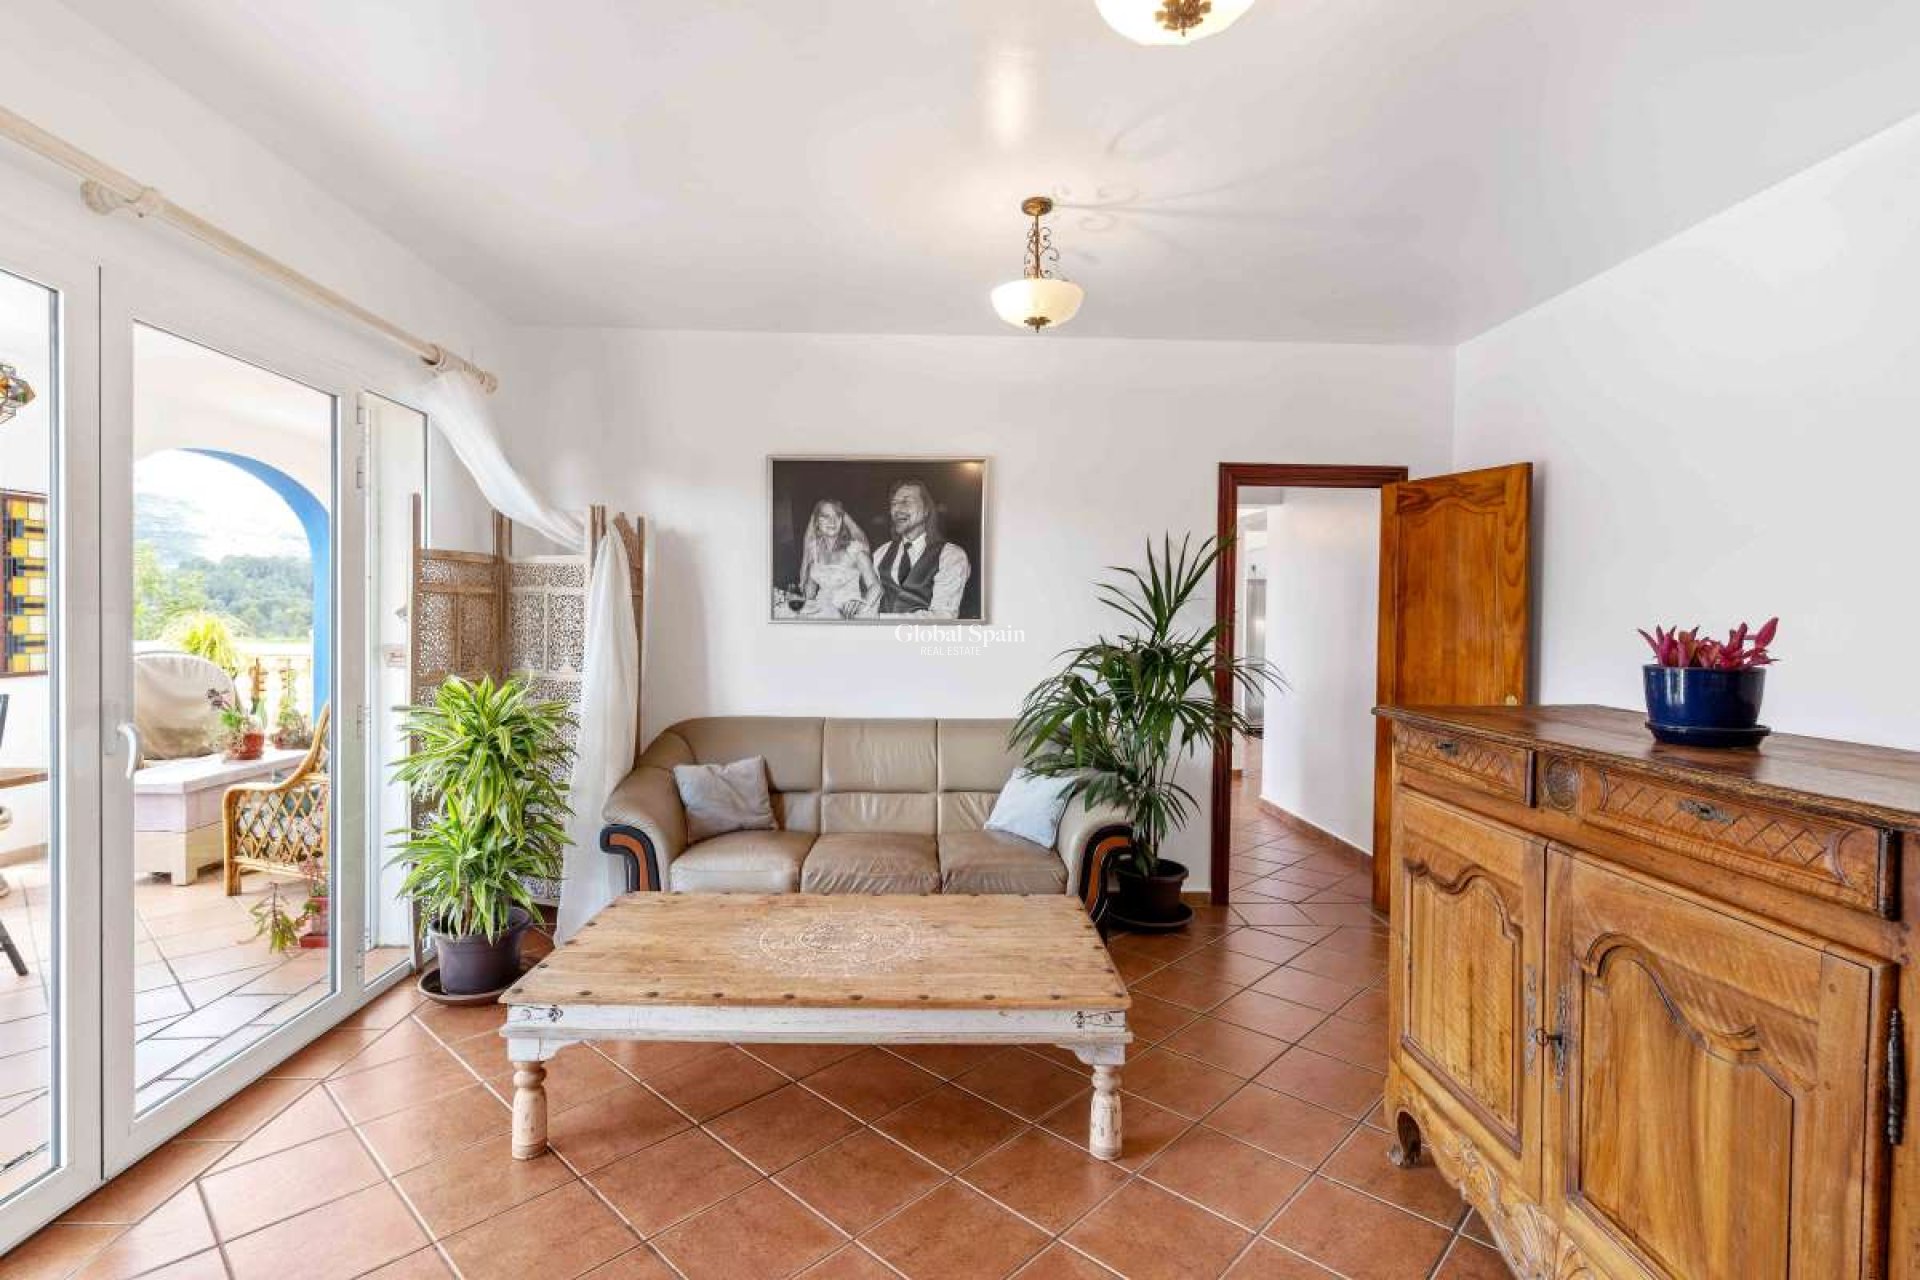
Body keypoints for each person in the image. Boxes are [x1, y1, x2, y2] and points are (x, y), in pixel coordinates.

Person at [872, 478, 971, 618]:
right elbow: (869, 604)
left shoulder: (951, 556)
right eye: (894, 503)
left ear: (926, 510)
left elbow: (943, 616)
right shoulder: (881, 553)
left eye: (906, 502)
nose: (897, 509)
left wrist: (880, 619)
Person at [787, 498, 881, 619]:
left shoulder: (854, 550)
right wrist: (800, 595)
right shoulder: (814, 549)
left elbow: (876, 587)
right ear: (816, 522)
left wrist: (861, 605)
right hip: (820, 612)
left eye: (837, 516)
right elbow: (810, 591)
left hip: (847, 613)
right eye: (825, 516)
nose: (832, 521)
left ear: (842, 521)